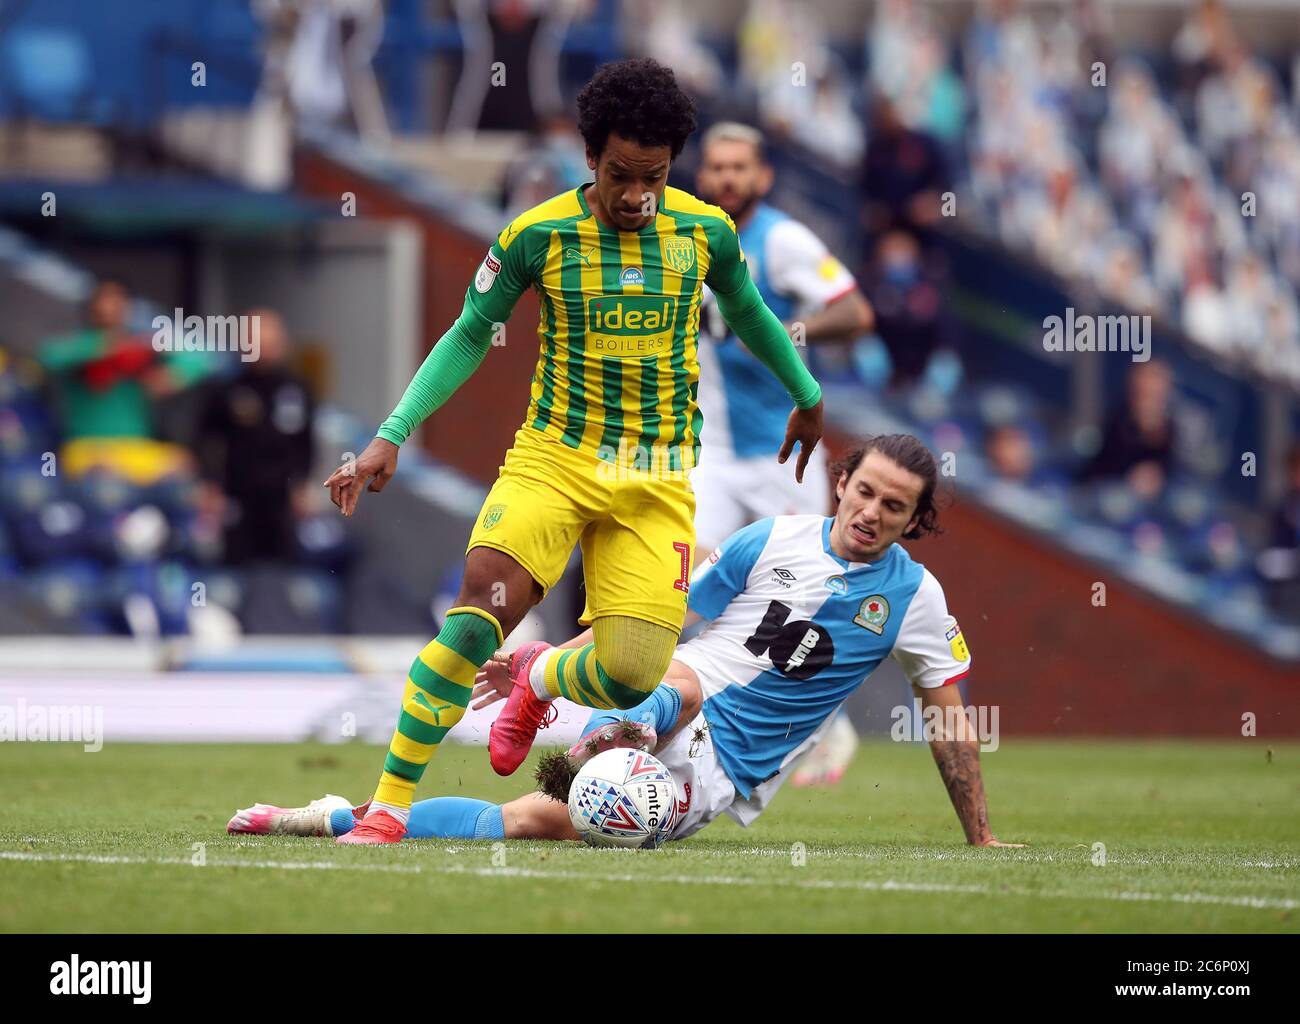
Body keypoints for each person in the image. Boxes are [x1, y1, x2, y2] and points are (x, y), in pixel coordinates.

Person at [321, 58, 824, 844]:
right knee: (476, 619)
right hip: (555, 459)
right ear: (590, 158)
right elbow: (466, 335)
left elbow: (752, 310)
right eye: (620, 174)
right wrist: (391, 434)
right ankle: (385, 808)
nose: (636, 195)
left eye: (652, 176)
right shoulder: (535, 233)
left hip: (655, 478)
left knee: (631, 674)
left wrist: (807, 393)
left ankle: (534, 681)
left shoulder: (706, 232)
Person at [233, 435, 1021, 849]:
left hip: (722, 776)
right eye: (865, 490)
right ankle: (545, 687)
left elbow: (948, 718)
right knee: (673, 687)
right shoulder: (770, 539)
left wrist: (980, 837)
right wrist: (576, 659)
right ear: (843, 482)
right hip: (673, 690)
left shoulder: (916, 598)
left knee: (528, 823)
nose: (872, 510)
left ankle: (337, 816)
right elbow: (657, 620)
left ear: (914, 521)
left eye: (894, 505)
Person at [693, 121, 873, 786]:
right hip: (708, 449)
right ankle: (692, 719)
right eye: (716, 166)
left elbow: (855, 312)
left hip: (783, 452)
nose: (727, 178)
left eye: (740, 167)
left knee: (801, 596)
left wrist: (789, 328)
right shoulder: (685, 235)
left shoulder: (783, 239)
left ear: (762, 177)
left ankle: (828, 723)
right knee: (680, 582)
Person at [195, 310, 315, 565]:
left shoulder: (296, 388)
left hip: (282, 495)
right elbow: (206, 438)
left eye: (269, 341)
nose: (263, 348)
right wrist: (210, 485)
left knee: (284, 562)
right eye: (255, 340)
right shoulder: (227, 388)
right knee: (237, 561)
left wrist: (303, 485)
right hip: (238, 493)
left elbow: (306, 443)